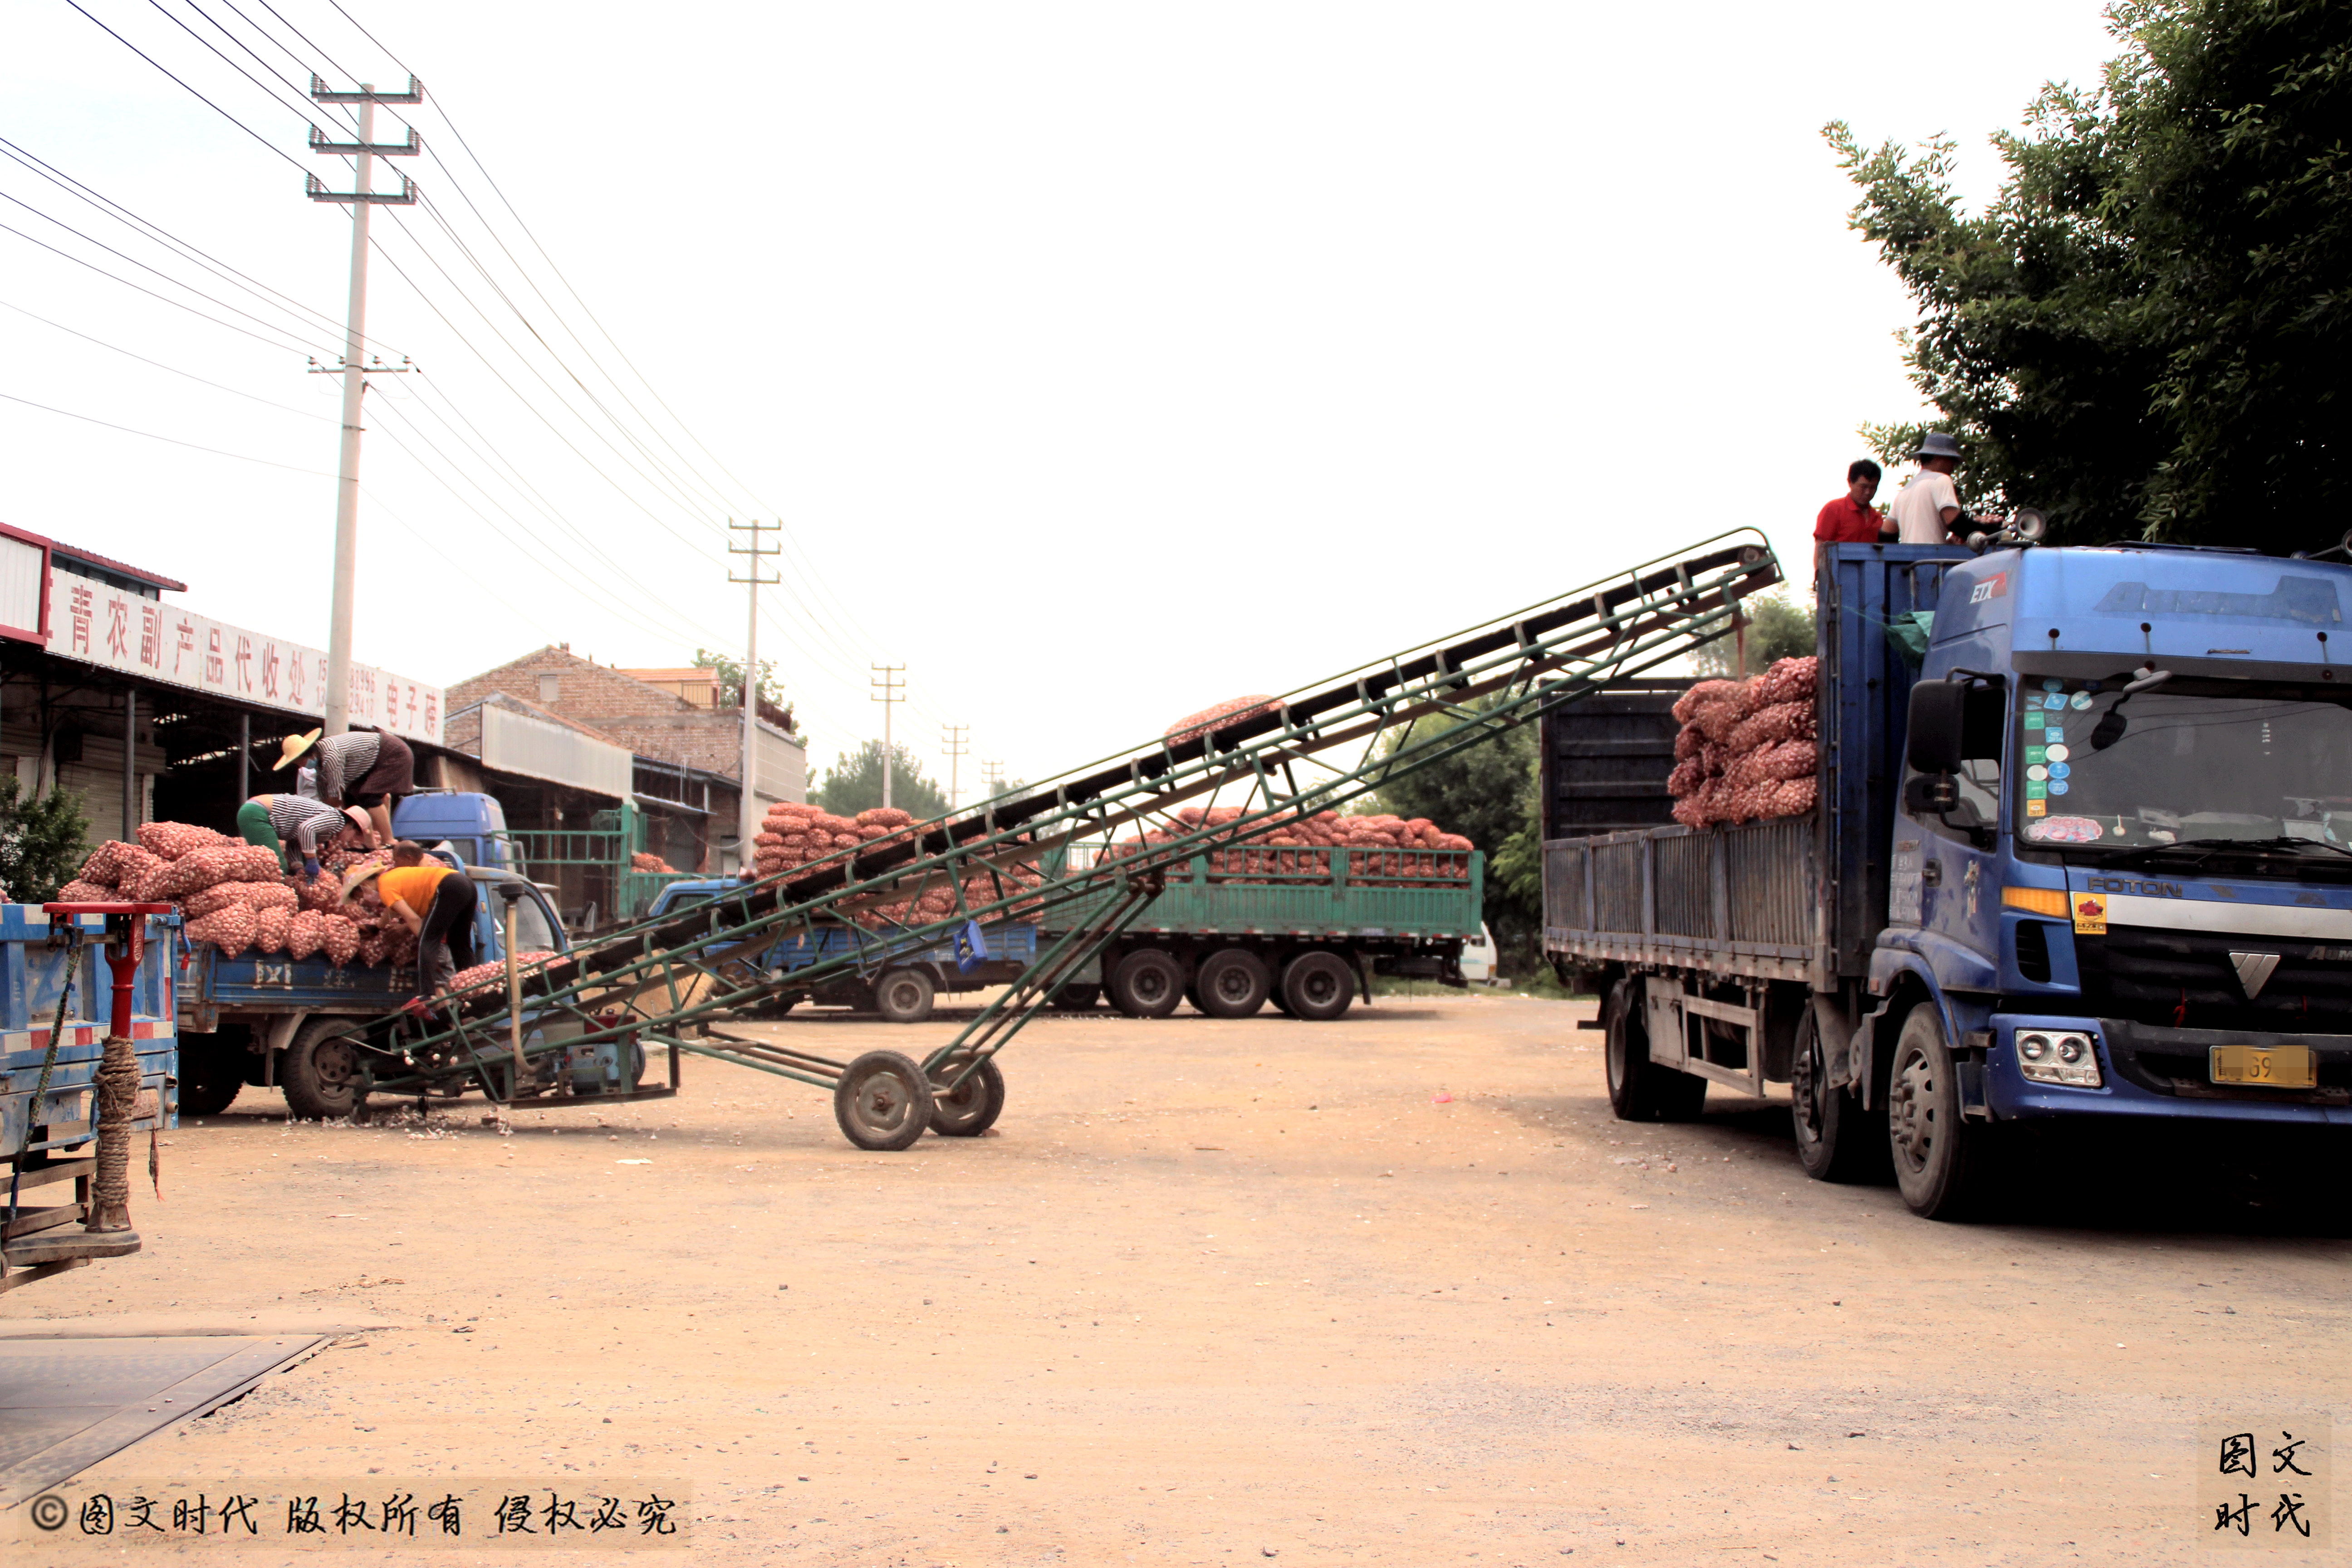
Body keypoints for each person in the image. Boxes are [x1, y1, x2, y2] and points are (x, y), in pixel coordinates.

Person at [275, 726, 415, 847]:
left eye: (299, 762)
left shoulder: (330, 755)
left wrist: (332, 822)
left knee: (368, 796)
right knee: (356, 795)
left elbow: (336, 797)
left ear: (307, 756)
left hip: (392, 754)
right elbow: (326, 795)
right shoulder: (320, 764)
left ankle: (388, 840)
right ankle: (376, 837)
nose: (299, 766)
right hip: (370, 764)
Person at [375, 840, 478, 997]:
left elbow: (414, 919)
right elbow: (393, 910)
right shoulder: (401, 877)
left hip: (447, 886)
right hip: (467, 884)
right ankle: (474, 991)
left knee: (427, 940)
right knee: (460, 943)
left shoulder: (385, 885)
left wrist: (429, 953)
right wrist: (377, 927)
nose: (395, 864)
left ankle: (427, 994)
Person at [237, 794, 372, 877]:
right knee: (276, 868)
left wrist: (298, 866)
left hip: (254, 811)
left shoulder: (328, 831)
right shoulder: (337, 820)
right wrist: (312, 861)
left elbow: (295, 841)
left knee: (275, 866)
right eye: (354, 837)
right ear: (351, 826)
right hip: (258, 813)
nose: (350, 842)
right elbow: (306, 829)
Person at [1891, 432, 1966, 544]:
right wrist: (1991, 531)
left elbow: (1887, 533)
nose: (1953, 467)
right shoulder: (1941, 479)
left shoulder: (1905, 490)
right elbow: (1956, 523)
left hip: (1909, 560)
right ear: (1941, 458)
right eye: (1953, 461)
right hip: (1933, 558)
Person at [1814, 459, 1892, 547]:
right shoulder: (1834, 509)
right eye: (1863, 487)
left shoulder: (1877, 518)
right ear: (1850, 483)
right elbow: (1821, 547)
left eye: (1873, 487)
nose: (1868, 492)